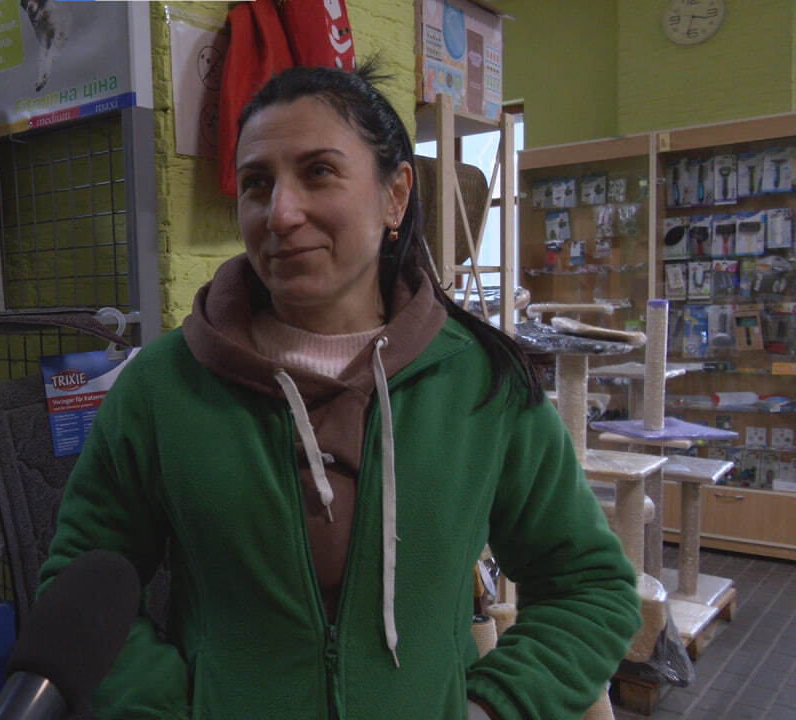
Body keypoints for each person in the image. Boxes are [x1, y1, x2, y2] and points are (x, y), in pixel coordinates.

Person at [38, 62, 641, 719]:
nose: (281, 212)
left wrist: (493, 708)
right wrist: (164, 711)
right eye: (256, 184)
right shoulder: (162, 387)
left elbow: (590, 587)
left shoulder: (479, 384)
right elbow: (77, 583)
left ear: (395, 196)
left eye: (318, 172)